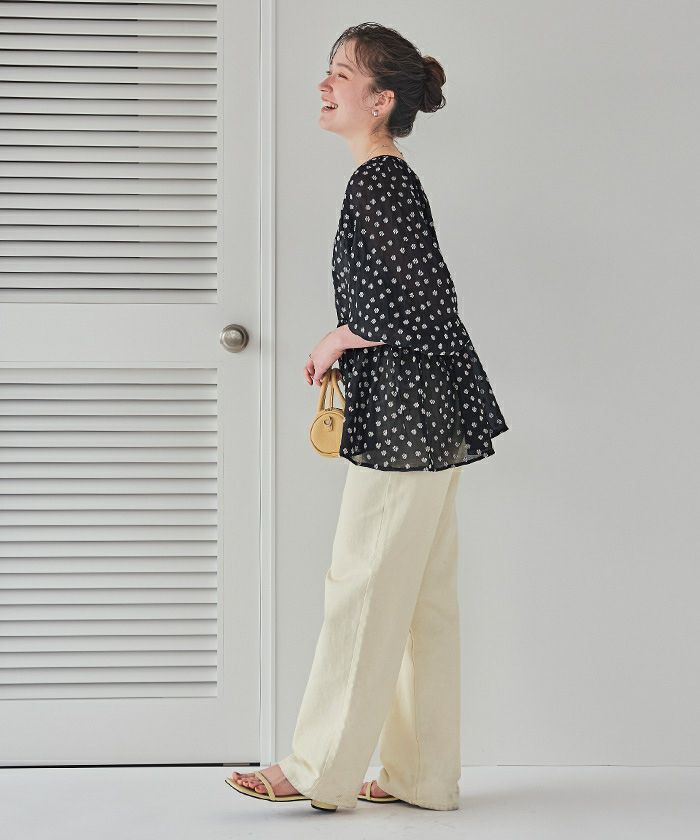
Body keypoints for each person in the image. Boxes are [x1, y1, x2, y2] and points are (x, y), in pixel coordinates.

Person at [227, 21, 509, 812]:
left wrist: (338, 336)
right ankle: (422, 778)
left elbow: (420, 301)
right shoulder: (390, 178)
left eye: (341, 75)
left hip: (406, 417)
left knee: (362, 586)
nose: (324, 85)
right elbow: (427, 300)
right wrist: (349, 335)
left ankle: (318, 768)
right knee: (421, 600)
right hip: (430, 413)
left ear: (381, 101)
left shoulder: (378, 181)